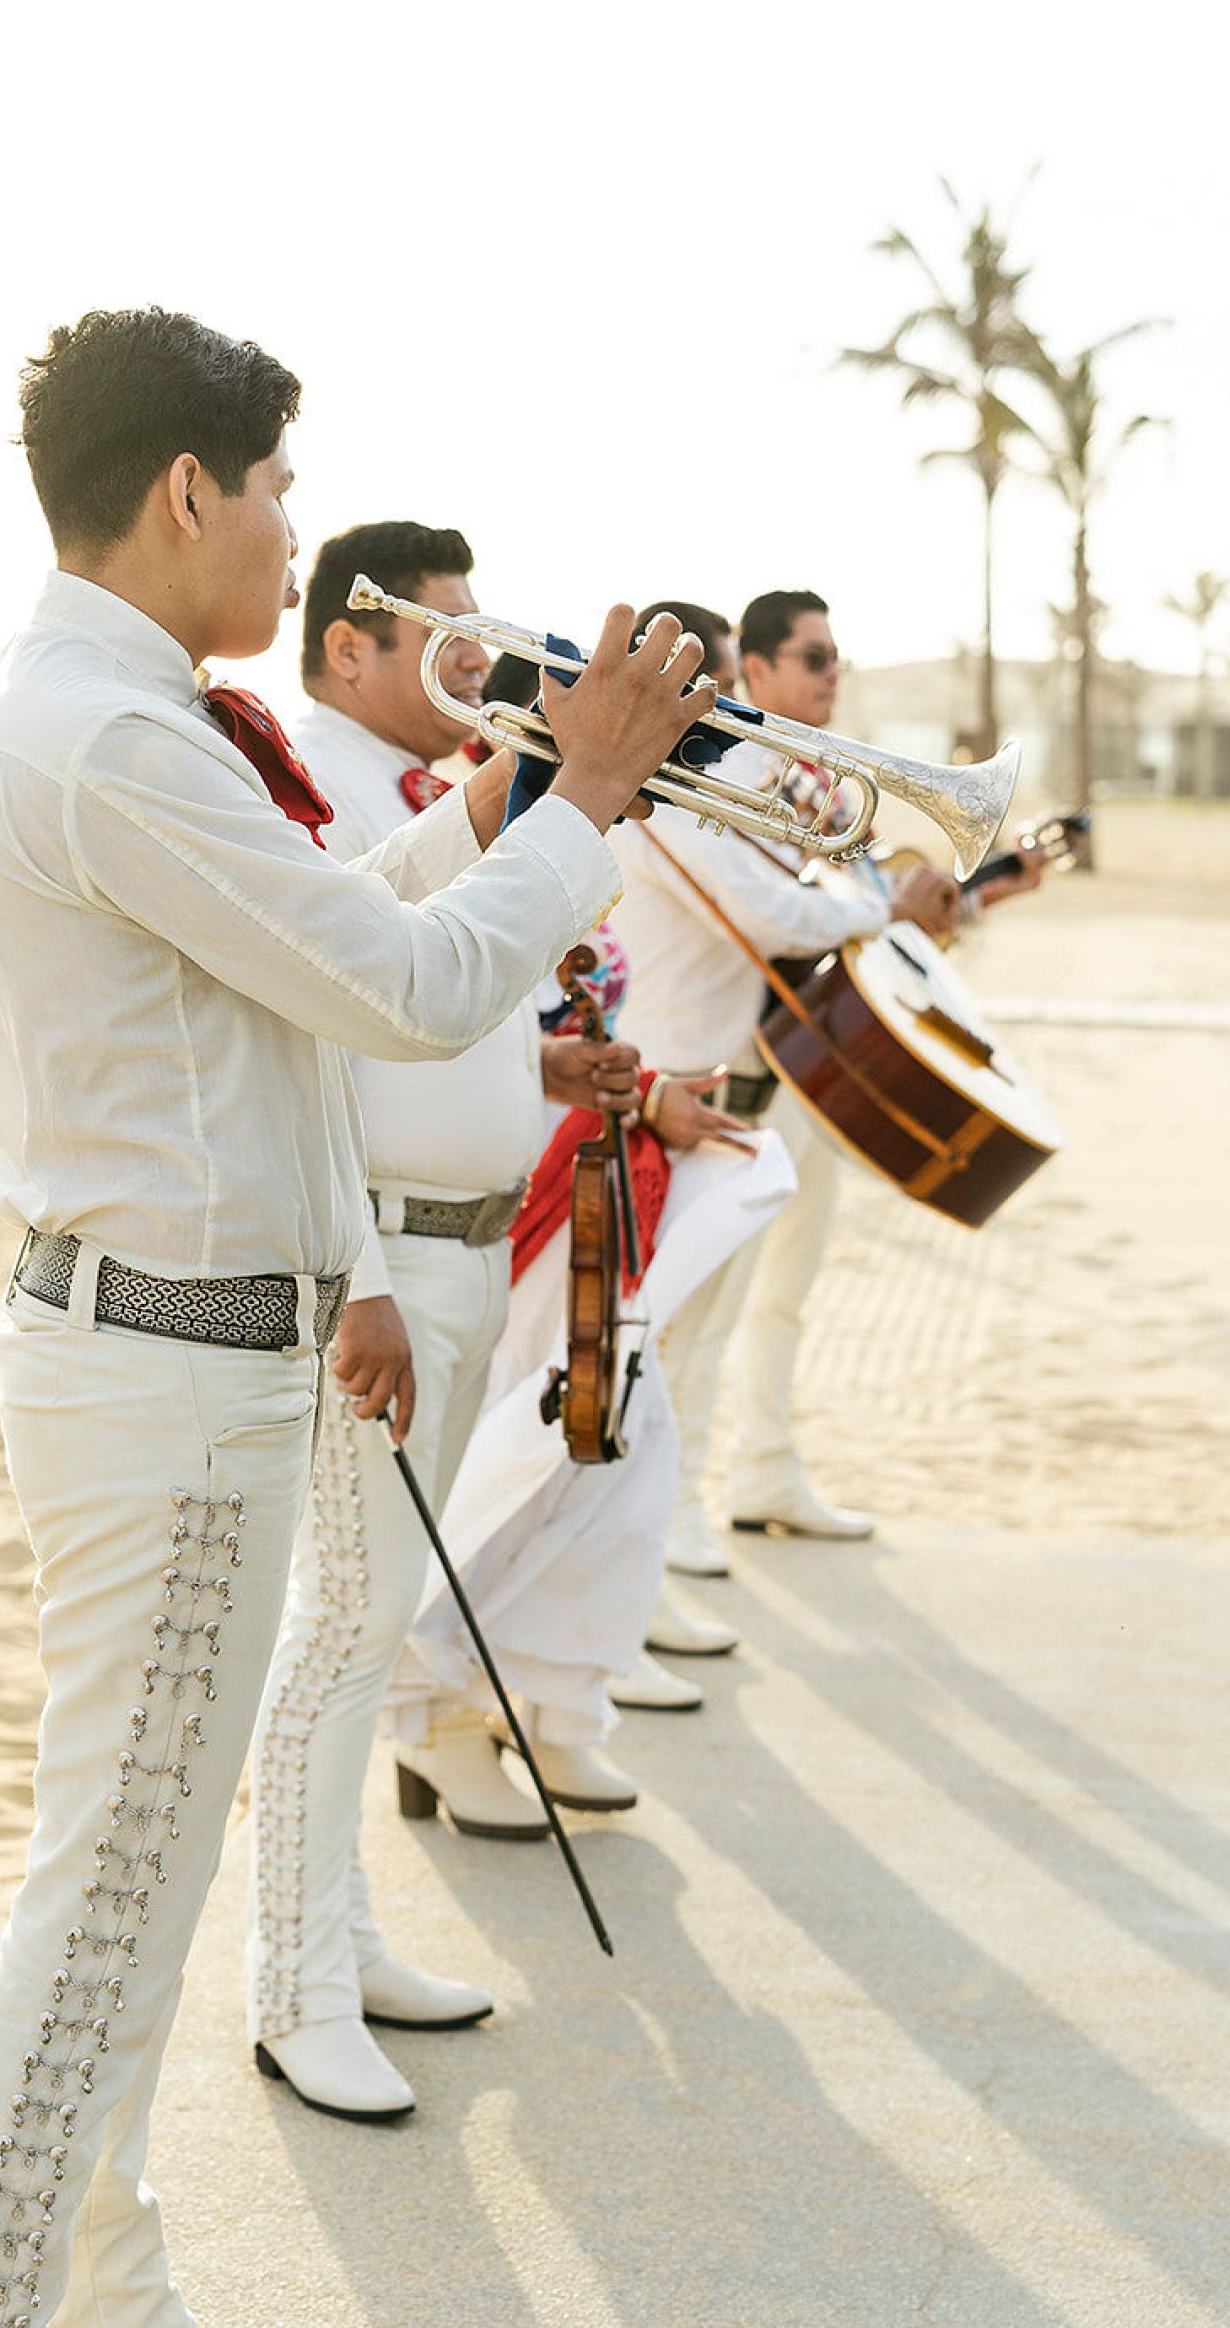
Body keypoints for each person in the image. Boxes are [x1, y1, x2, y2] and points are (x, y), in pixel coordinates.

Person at [0, 305, 715, 2328]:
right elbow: (414, 988)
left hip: (201, 1367)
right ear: (186, 495)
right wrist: (588, 798)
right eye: (269, 492)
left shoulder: (135, 722)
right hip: (151, 1388)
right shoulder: (106, 740)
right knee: (93, 1920)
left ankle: (107, 2302)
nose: (284, 528)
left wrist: (544, 806)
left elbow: (293, 1020)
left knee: (132, 1905)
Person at [246, 520, 645, 2127]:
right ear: (352, 645)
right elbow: (308, 1043)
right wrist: (372, 1282)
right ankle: (294, 1986)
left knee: (368, 1614)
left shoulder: (407, 788)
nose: (478, 665)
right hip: (393, 1263)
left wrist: (545, 1072)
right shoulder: (324, 787)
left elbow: (429, 1014)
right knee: (339, 1625)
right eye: (445, 635)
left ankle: (340, 1935)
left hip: (459, 1248)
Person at [394, 606, 795, 1816]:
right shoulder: (478, 829)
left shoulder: (568, 832)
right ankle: (444, 1721)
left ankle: (553, 1701)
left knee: (613, 1451)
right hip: (515, 1196)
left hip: (586, 1170)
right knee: (529, 1458)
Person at [614, 587, 956, 1571]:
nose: (722, 696)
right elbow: (777, 913)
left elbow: (825, 889)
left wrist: (864, 884)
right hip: (673, 1088)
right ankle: (659, 1540)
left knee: (706, 1324)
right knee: (670, 1332)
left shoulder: (719, 783)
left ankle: (678, 1525)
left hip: (733, 1080)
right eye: (706, 677)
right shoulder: (671, 793)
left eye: (720, 675)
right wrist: (878, 897)